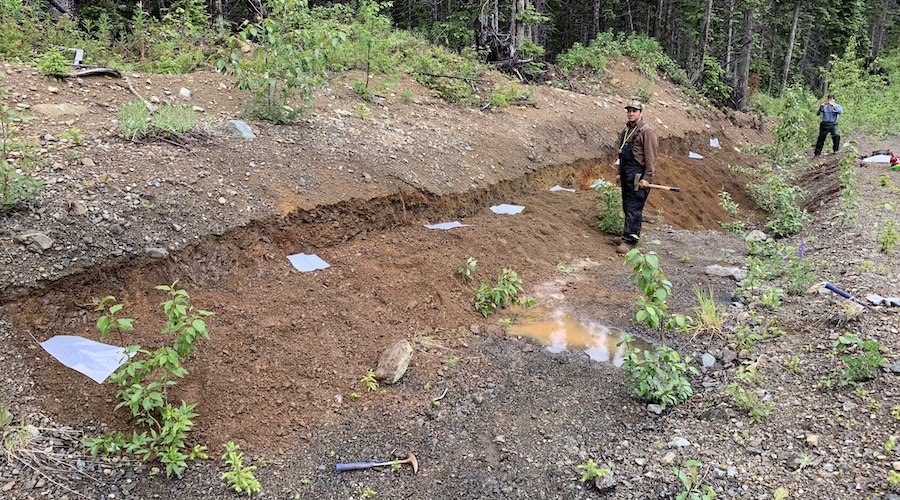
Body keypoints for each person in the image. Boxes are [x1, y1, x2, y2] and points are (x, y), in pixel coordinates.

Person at [614, 100, 658, 254]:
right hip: (626, 173)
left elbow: (651, 157)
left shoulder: (647, 132)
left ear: (641, 113)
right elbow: (622, 153)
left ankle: (630, 241)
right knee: (627, 205)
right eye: (629, 111)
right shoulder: (627, 130)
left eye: (634, 111)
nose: (631, 113)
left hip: (638, 175)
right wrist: (619, 172)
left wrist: (647, 177)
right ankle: (626, 235)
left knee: (634, 208)